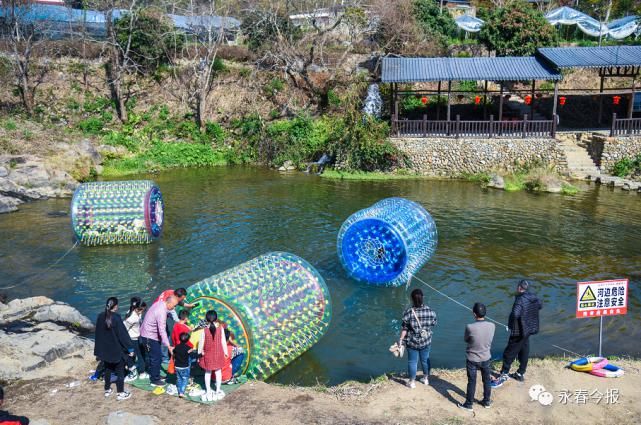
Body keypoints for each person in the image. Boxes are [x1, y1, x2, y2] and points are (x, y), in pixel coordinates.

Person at [492, 279, 543, 388]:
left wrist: (511, 325)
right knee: (524, 350)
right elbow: (540, 306)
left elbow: (515, 314)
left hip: (519, 331)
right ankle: (520, 373)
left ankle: (503, 375)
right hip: (529, 329)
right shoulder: (534, 297)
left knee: (508, 352)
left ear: (520, 287)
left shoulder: (520, 299)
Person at [94, 297, 134, 401]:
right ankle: (120, 393)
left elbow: (98, 334)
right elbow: (123, 335)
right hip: (116, 350)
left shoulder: (100, 316)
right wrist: (130, 348)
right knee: (120, 371)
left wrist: (98, 351)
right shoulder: (116, 318)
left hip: (105, 351)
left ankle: (107, 389)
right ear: (115, 306)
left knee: (108, 369)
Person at [458, 303, 495, 412]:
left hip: (472, 359)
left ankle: (469, 404)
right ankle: (487, 401)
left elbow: (466, 339)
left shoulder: (470, 327)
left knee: (472, 381)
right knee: (487, 380)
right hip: (486, 357)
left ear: (474, 314)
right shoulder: (492, 325)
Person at [398, 289, 437, 388]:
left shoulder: (408, 312)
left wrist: (401, 340)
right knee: (425, 360)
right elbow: (434, 323)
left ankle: (411, 382)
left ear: (412, 299)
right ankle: (426, 379)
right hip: (426, 341)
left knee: (412, 362)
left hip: (412, 342)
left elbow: (405, 328)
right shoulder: (430, 311)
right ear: (423, 298)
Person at [140, 295, 179, 387]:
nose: (174, 308)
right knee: (155, 358)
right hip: (149, 337)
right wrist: (168, 346)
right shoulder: (161, 312)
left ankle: (156, 374)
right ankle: (154, 379)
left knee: (156, 357)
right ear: (169, 303)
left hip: (148, 333)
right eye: (174, 306)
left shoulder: (161, 303)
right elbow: (162, 330)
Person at [198, 310, 228, 402]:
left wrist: (199, 352)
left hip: (208, 354)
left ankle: (208, 391)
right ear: (216, 318)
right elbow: (223, 341)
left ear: (206, 318)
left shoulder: (204, 329)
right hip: (218, 353)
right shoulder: (221, 328)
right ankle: (218, 390)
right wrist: (226, 352)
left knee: (208, 372)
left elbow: (201, 342)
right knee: (218, 371)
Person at [124, 297, 147, 381]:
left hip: (136, 337)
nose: (142, 312)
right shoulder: (132, 318)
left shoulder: (135, 313)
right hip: (133, 339)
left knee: (133, 355)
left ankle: (132, 368)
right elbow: (124, 328)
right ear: (136, 308)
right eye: (141, 310)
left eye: (143, 310)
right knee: (140, 355)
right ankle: (142, 373)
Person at [173, 332, 194, 398]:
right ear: (188, 340)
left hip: (177, 366)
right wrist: (201, 354)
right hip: (185, 367)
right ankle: (181, 392)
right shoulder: (188, 348)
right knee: (185, 379)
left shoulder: (177, 347)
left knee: (179, 379)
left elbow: (174, 352)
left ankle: (179, 391)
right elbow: (193, 355)